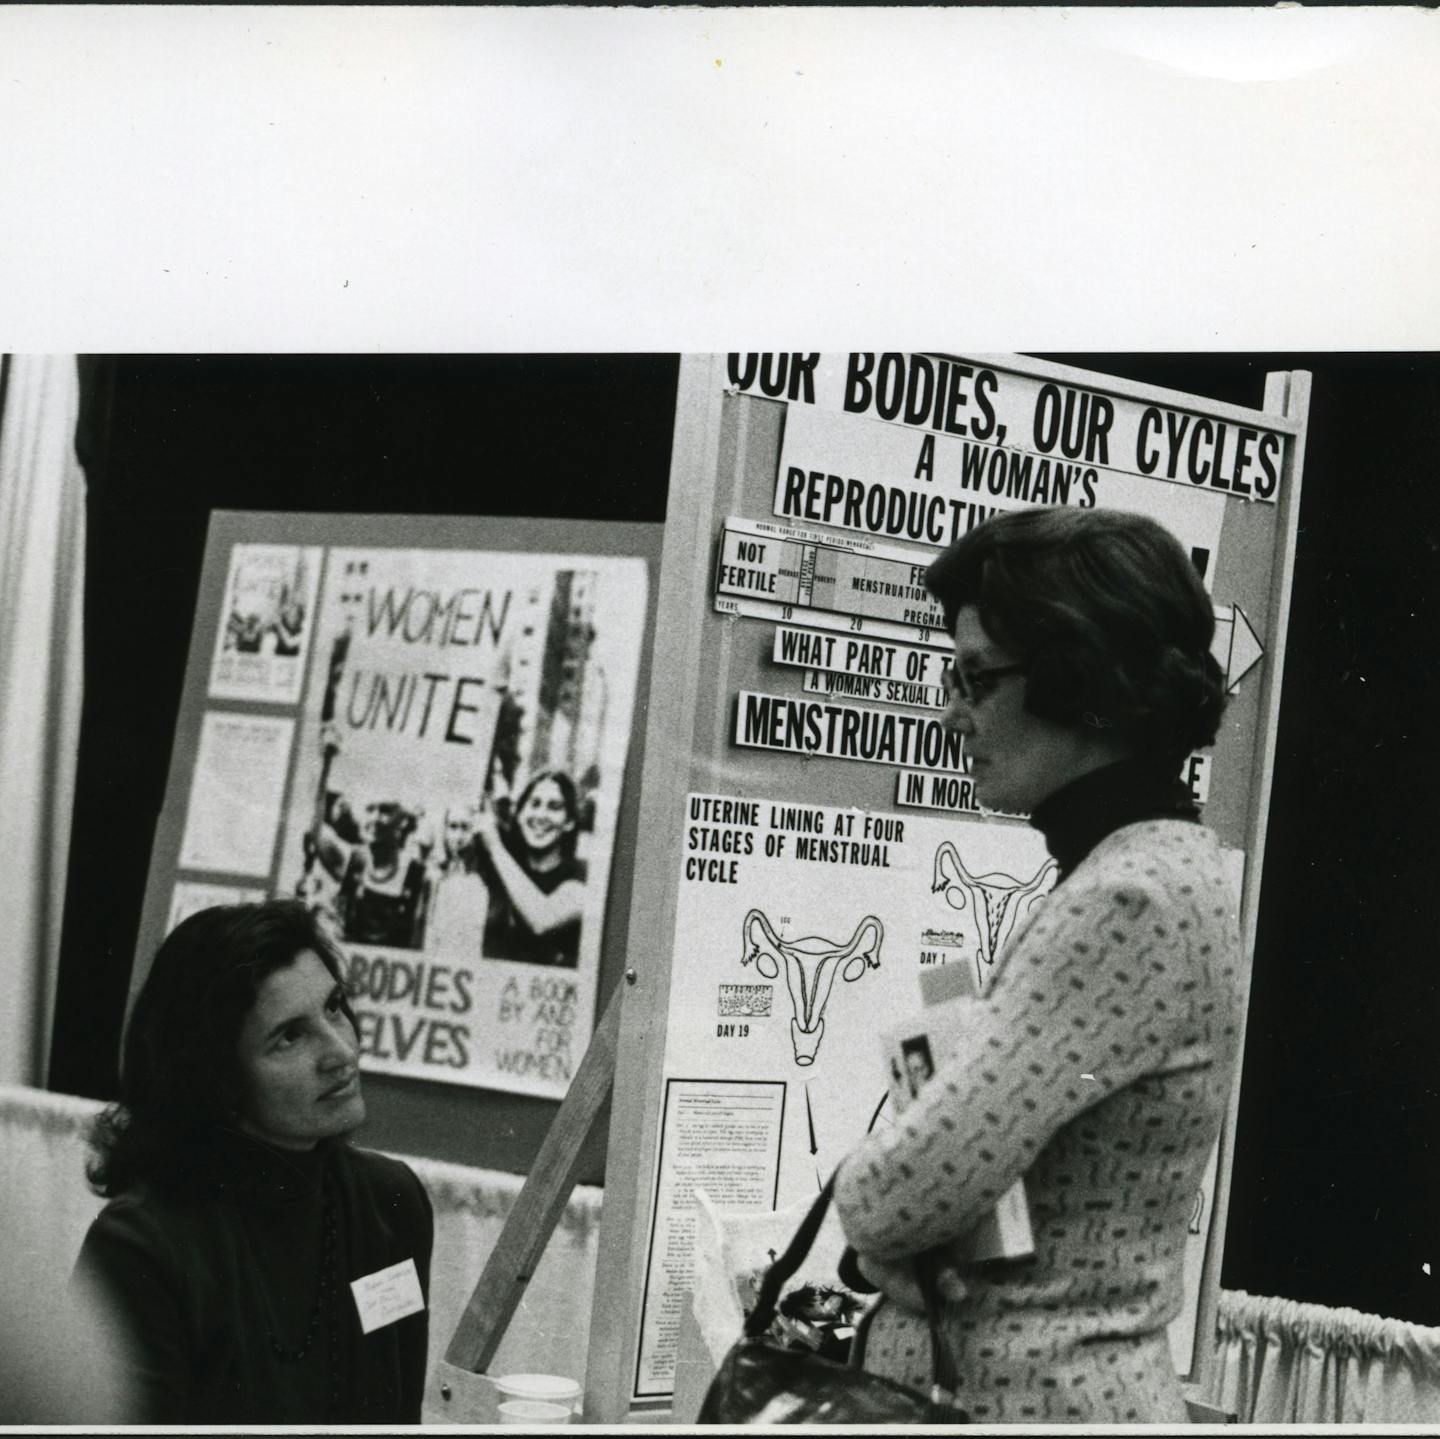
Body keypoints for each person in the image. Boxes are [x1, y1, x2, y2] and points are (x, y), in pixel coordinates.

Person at [832, 507, 1242, 1425]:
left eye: (976, 679)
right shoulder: (1155, 868)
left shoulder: (1125, 899)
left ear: (1078, 679)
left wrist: (886, 1245)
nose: (951, 712)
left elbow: (892, 1194)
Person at [72, 901, 433, 1424]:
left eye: (334, 1008)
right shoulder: (142, 1249)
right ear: (216, 1078)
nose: (341, 1051)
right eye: (290, 1036)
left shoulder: (390, 1202)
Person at [472, 769, 587, 967]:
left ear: (569, 822)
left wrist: (494, 845)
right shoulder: (504, 864)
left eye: (554, 807)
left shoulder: (581, 875)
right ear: (520, 815)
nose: (541, 815)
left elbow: (541, 919)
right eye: (534, 804)